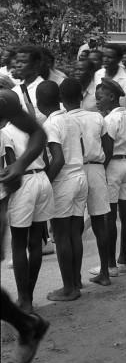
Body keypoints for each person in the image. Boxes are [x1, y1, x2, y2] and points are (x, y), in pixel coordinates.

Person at [0, 89, 50, 363]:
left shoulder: (2, 99)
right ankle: (27, 325)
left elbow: (38, 134)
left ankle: (26, 325)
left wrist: (20, 164)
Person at [37, 81, 88, 302]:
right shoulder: (71, 119)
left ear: (39, 104)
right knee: (74, 233)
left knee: (61, 235)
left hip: (64, 180)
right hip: (80, 177)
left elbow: (58, 159)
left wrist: (45, 183)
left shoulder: (50, 125)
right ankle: (75, 281)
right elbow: (82, 150)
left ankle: (68, 288)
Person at [61, 79, 111, 287]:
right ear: (82, 97)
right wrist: (100, 166)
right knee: (101, 224)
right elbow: (109, 146)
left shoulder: (62, 120)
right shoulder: (96, 117)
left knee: (74, 227)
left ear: (61, 100)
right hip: (96, 168)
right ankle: (105, 272)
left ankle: (76, 279)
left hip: (74, 171)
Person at [4, 110, 53, 312]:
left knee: (18, 243)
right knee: (35, 243)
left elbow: (9, 162)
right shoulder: (33, 129)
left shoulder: (5, 132)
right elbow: (47, 159)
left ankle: (24, 300)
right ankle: (29, 297)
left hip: (22, 182)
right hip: (42, 179)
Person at [94, 79, 126, 276]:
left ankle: (110, 264)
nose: (97, 102)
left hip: (112, 166)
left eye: (100, 98)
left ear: (112, 97)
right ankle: (122, 260)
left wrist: (101, 172)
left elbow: (107, 148)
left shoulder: (110, 120)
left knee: (109, 217)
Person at [93, 44, 126, 113]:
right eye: (104, 56)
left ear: (118, 59)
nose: (105, 59)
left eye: (110, 57)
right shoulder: (98, 74)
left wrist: (114, 113)